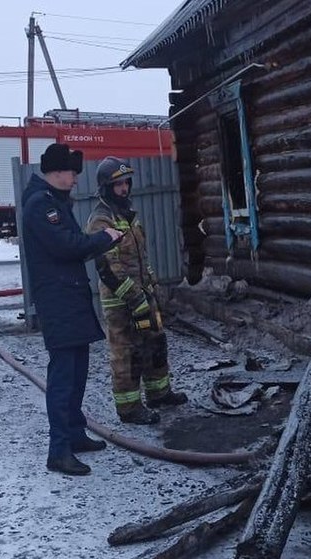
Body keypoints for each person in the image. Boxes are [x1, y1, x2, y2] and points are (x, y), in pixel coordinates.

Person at [21, 143, 123, 476]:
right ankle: (59, 451)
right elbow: (66, 246)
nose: (76, 179)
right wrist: (102, 239)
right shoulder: (41, 205)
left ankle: (76, 435)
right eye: (72, 173)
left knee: (78, 372)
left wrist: (99, 242)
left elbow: (73, 248)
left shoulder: (55, 202)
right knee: (63, 377)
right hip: (59, 301)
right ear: (57, 172)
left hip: (71, 298)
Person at [85, 156, 187, 425]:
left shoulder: (128, 216)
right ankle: (129, 408)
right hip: (121, 302)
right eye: (118, 184)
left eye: (126, 183)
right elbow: (108, 267)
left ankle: (159, 393)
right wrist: (134, 298)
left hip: (143, 295)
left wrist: (152, 288)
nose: (125, 189)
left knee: (155, 342)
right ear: (106, 187)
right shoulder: (101, 219)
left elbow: (142, 258)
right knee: (126, 352)